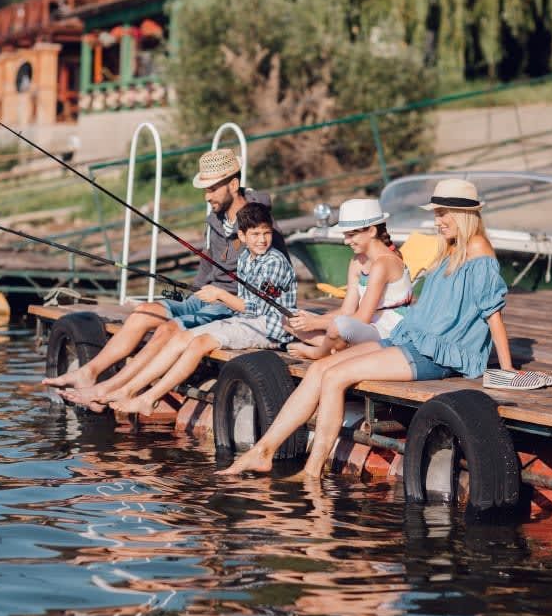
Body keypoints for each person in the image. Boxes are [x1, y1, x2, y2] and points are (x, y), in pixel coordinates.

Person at [217, 178, 517, 478]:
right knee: (320, 369)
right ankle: (263, 450)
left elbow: (492, 312)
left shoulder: (479, 249)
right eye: (436, 214)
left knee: (335, 377)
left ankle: (311, 471)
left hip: (439, 354)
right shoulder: (451, 248)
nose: (437, 221)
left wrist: (506, 368)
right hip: (415, 339)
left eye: (443, 214)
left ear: (464, 215)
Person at [43, 148, 288, 395]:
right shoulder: (215, 220)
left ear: (233, 184)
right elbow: (207, 267)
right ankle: (89, 373)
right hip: (202, 297)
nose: (207, 196)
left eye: (212, 188)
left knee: (168, 329)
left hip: (229, 305)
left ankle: (111, 388)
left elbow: (278, 274)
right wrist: (184, 295)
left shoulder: (261, 226)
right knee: (143, 312)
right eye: (205, 189)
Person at [76, 201, 296, 416]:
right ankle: (126, 391)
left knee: (199, 343)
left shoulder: (274, 262)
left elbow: (259, 307)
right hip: (245, 320)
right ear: (242, 236)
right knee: (181, 338)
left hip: (269, 326)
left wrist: (219, 295)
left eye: (266, 233)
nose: (262, 240)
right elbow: (246, 306)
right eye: (255, 235)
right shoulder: (246, 257)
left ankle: (148, 398)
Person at [285, 198, 411, 360]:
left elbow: (362, 318)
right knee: (289, 320)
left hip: (389, 332)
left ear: (372, 231)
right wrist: (311, 320)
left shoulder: (384, 263)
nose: (346, 241)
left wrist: (315, 323)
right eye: (346, 235)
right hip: (364, 328)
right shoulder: (357, 261)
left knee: (339, 326)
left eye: (351, 235)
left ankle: (319, 352)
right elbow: (347, 311)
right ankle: (336, 347)